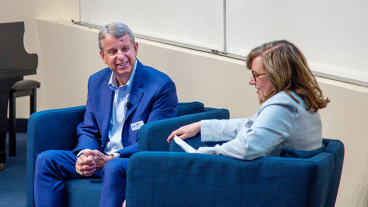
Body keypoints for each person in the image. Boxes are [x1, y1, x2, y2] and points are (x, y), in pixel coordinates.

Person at [34, 22, 178, 207]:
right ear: (103, 56)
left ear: (135, 48)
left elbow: (153, 141)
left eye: (125, 48)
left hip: (131, 161)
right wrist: (85, 155)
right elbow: (89, 129)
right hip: (100, 158)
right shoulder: (96, 82)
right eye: (112, 51)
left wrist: (112, 158)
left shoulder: (160, 85)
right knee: (47, 160)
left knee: (112, 166)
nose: (121, 56)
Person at [168, 40, 329, 160]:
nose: (251, 81)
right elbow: (251, 124)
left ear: (277, 75)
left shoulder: (283, 105)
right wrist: (201, 127)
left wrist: (205, 153)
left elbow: (247, 147)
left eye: (256, 75)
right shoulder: (297, 99)